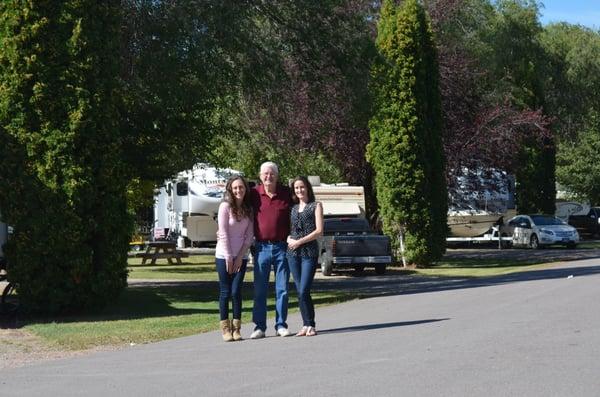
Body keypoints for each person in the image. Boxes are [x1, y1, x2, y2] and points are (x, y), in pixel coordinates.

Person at [249, 161, 292, 339]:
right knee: (260, 289)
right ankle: (259, 327)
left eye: (272, 173)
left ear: (277, 175)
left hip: (282, 247)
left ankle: (281, 325)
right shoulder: (253, 194)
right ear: (260, 176)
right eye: (265, 174)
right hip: (261, 248)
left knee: (282, 289)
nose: (269, 176)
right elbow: (234, 203)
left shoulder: (286, 194)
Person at [215, 176, 254, 342]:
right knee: (225, 292)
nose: (239, 191)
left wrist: (239, 257)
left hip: (241, 256)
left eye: (241, 188)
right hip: (223, 255)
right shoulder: (224, 207)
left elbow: (249, 236)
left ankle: (237, 329)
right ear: (230, 190)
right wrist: (229, 256)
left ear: (245, 189)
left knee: (236, 291)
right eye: (235, 188)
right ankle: (225, 329)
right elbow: (222, 233)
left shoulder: (248, 209)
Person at [286, 176, 323, 336]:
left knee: (303, 290)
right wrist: (288, 238)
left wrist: (299, 241)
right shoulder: (293, 208)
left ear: (307, 188)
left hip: (309, 253)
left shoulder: (316, 206)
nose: (299, 190)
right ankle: (305, 324)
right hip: (293, 253)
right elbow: (290, 229)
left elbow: (319, 231)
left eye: (302, 187)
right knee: (300, 290)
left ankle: (311, 324)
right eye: (296, 188)